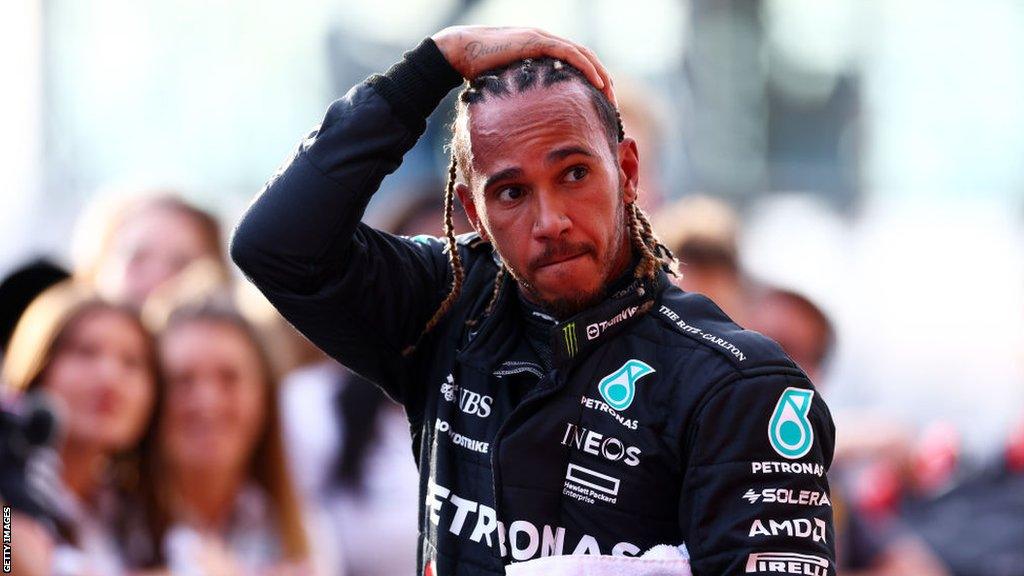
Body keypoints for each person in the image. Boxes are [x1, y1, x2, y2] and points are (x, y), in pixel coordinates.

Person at [231, 26, 836, 575]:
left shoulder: (736, 387)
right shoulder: (446, 303)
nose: (550, 221)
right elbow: (275, 245)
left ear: (626, 171)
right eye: (512, 192)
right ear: (474, 212)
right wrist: (431, 68)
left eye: (574, 174)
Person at [128, 302, 322, 576]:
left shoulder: (300, 528)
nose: (207, 402)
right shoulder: (109, 517)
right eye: (182, 380)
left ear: (264, 398)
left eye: (229, 379)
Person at [2, 281, 158, 576]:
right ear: (39, 365)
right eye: (85, 352)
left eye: (132, 362)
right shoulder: (9, 492)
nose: (109, 377)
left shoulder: (130, 513)